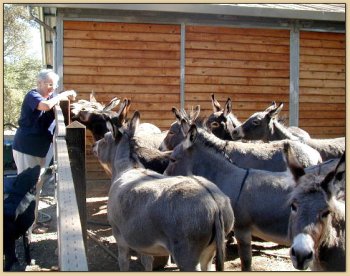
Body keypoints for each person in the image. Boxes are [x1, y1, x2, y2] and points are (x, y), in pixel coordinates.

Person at [12, 69, 76, 234]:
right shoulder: (33, 96)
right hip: (27, 148)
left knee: (36, 186)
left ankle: (30, 223)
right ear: (38, 83)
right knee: (28, 187)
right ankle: (25, 227)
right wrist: (63, 95)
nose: (51, 88)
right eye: (48, 84)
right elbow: (45, 106)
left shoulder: (48, 98)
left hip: (37, 149)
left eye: (53, 85)